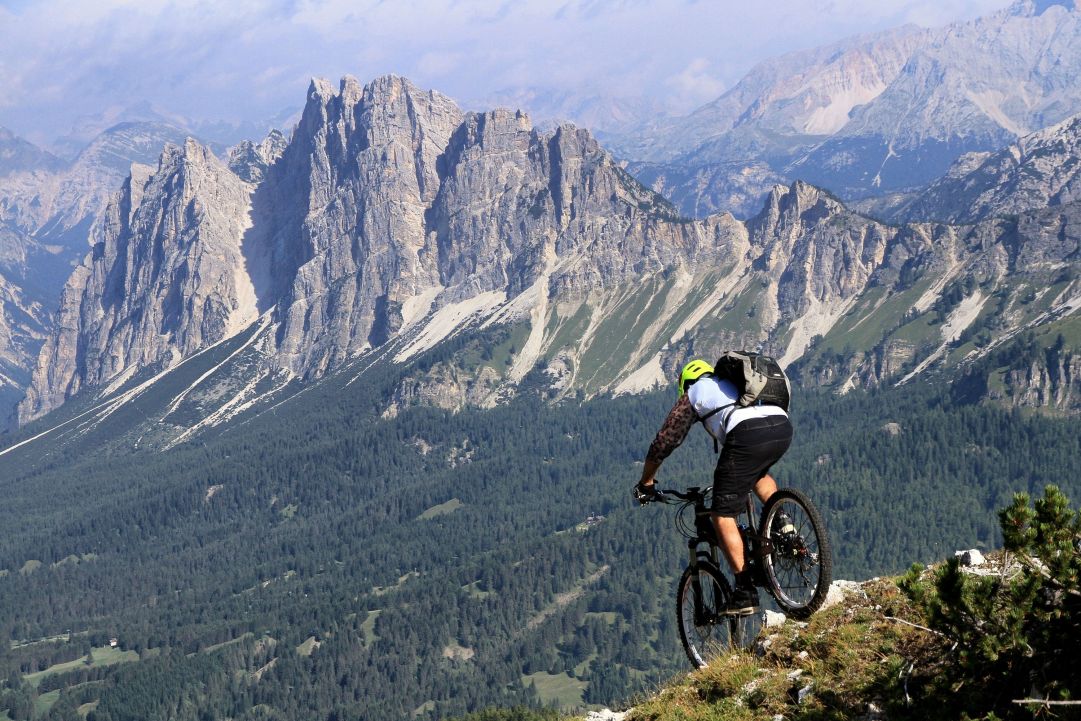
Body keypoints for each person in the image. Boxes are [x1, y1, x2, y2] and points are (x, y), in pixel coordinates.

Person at [634, 359, 793, 615]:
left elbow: (664, 442)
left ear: (686, 384)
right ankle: (783, 522)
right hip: (781, 426)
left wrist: (647, 482)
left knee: (722, 515)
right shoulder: (734, 383)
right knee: (757, 473)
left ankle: (744, 591)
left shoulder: (694, 393)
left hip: (746, 433)